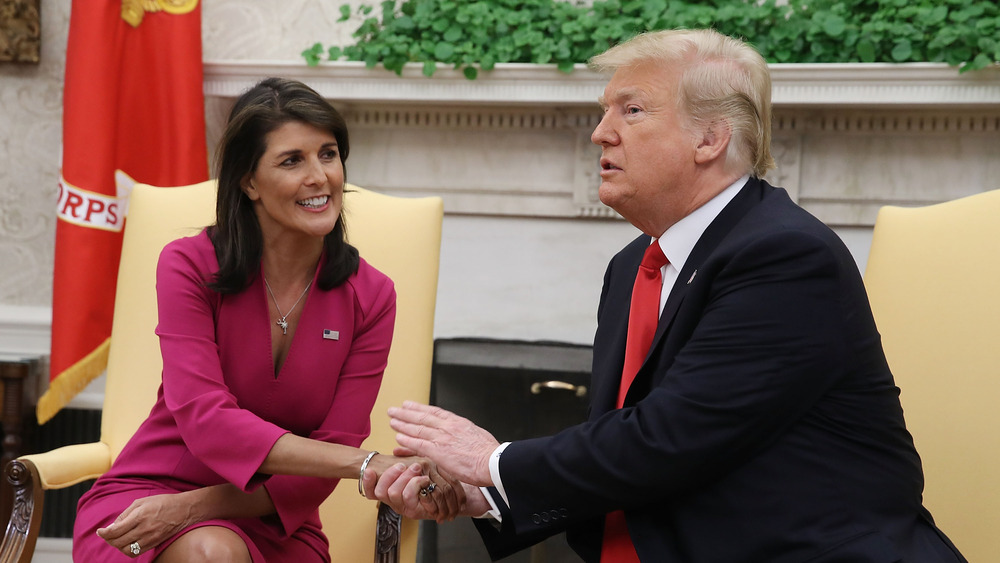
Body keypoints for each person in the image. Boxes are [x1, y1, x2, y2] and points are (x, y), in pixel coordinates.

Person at [374, 29, 968, 562]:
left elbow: (667, 439)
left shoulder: (786, 256)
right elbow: (622, 451)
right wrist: (485, 497)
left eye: (630, 110)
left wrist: (493, 461)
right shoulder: (635, 263)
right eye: (605, 109)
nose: (599, 131)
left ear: (709, 139)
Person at [72, 77, 462, 562]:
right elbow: (208, 423)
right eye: (291, 160)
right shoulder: (189, 264)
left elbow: (332, 448)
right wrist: (368, 464)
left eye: (328, 153)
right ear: (249, 181)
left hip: (275, 518)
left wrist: (192, 509)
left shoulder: (372, 295)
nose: (320, 176)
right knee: (211, 551)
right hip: (153, 494)